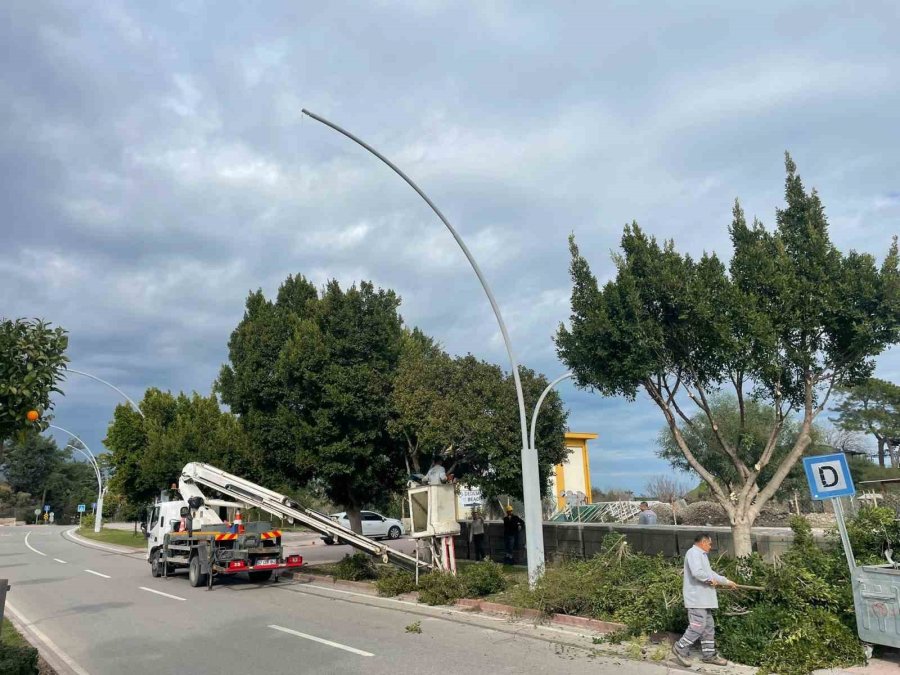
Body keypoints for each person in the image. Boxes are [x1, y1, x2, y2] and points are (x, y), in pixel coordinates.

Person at [671, 533, 736, 667]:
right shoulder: (693, 553)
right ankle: (680, 648)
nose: (710, 547)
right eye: (710, 544)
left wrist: (726, 581)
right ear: (703, 542)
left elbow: (710, 573)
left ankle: (708, 655)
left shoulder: (702, 555)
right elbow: (697, 572)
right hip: (696, 599)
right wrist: (708, 579)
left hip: (704, 599)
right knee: (697, 627)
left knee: (708, 628)